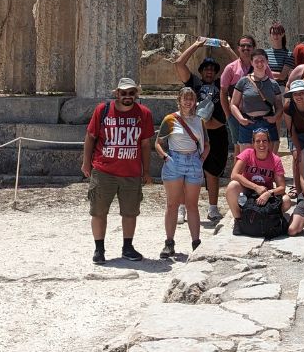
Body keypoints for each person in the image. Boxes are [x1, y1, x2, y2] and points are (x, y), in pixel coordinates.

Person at [81, 77, 154, 264]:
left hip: (131, 171)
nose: (128, 96)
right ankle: (99, 249)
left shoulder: (144, 113)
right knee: (98, 211)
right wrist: (86, 162)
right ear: (117, 94)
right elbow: (90, 137)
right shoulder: (102, 110)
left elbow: (145, 144)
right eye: (124, 93)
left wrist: (146, 171)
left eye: (131, 93)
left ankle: (127, 247)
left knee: (130, 212)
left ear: (136, 94)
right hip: (103, 169)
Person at [173, 39, 229, 222]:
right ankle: (182, 208)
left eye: (212, 69)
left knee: (213, 172)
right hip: (195, 133)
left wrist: (227, 49)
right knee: (187, 171)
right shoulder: (193, 84)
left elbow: (242, 68)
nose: (209, 71)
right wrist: (196, 45)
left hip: (217, 132)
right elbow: (179, 63)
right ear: (201, 71)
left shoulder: (221, 84)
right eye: (206, 68)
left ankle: (212, 209)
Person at [155, 87, 208, 257]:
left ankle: (196, 243)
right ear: (179, 100)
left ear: (195, 102)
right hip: (174, 160)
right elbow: (158, 143)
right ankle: (169, 243)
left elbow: (206, 144)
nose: (188, 101)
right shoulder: (170, 119)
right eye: (185, 98)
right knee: (172, 204)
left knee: (192, 204)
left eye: (191, 98)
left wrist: (201, 160)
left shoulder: (200, 121)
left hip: (193, 160)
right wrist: (165, 157)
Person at [226, 126, 291, 223]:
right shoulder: (247, 153)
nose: (261, 144)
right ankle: (239, 220)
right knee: (232, 186)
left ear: (269, 143)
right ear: (253, 143)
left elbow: (282, 187)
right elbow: (234, 175)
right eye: (258, 141)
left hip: (265, 193)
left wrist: (268, 193)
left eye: (264, 141)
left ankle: (267, 216)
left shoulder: (275, 160)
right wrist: (256, 187)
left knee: (286, 200)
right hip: (247, 191)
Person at [229, 48, 283, 150]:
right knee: (247, 161)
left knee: (268, 161)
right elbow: (233, 104)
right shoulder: (243, 82)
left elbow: (279, 106)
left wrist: (275, 117)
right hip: (248, 124)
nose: (259, 64)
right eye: (256, 61)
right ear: (252, 63)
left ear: (267, 62)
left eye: (262, 61)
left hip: (267, 123)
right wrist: (240, 119)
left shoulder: (273, 84)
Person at [219, 35, 255, 154]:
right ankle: (237, 173)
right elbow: (223, 92)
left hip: (256, 114)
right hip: (236, 115)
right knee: (239, 149)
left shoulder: (259, 66)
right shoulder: (230, 68)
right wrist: (228, 115)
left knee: (256, 146)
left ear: (253, 48)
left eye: (249, 45)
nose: (246, 48)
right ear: (238, 48)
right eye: (243, 45)